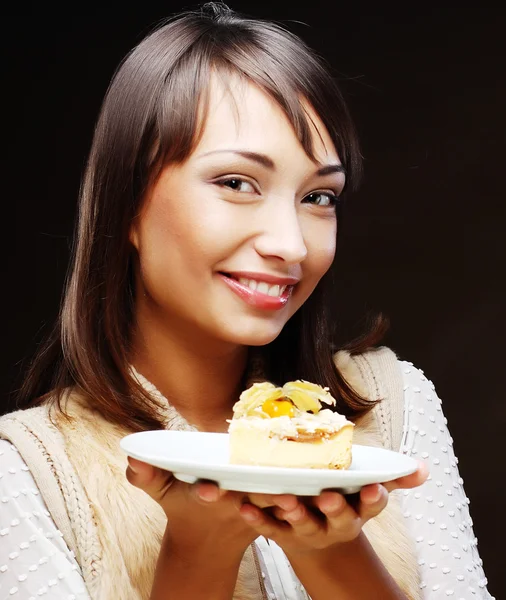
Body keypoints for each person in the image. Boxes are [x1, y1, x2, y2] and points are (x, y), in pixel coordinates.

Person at [0, 3, 494, 599]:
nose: (290, 245)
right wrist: (197, 553)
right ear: (126, 203)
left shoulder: (391, 405)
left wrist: (335, 553)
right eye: (237, 184)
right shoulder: (28, 470)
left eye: (318, 197)